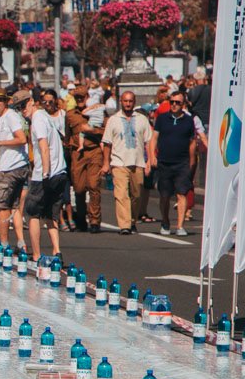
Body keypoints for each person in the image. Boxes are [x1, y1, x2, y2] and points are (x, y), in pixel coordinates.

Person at [0, 91, 30, 251]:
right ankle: (21, 242)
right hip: (14, 166)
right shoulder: (3, 118)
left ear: (6, 101)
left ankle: (3, 244)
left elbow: (21, 139)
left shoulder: (10, 116)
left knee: (2, 206)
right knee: (13, 206)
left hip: (11, 167)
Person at [24, 89, 68, 262]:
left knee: (32, 213)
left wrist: (45, 173)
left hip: (46, 174)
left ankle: (36, 255)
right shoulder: (47, 117)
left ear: (32, 102)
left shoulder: (38, 120)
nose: (22, 111)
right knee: (50, 214)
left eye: (23, 106)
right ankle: (57, 251)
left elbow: (43, 147)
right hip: (60, 171)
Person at [101, 91, 153, 235]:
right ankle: (124, 225)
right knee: (121, 194)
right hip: (119, 162)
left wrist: (150, 161)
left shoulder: (142, 119)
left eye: (130, 101)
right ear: (121, 102)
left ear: (134, 102)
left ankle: (132, 220)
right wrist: (106, 163)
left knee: (136, 195)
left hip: (138, 162)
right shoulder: (113, 120)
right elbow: (107, 143)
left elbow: (149, 141)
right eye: (125, 101)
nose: (128, 104)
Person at [148, 90, 197, 237]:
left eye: (178, 102)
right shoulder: (162, 119)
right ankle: (165, 221)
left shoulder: (189, 121)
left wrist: (192, 162)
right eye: (172, 102)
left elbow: (192, 143)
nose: (174, 105)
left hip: (182, 163)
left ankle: (180, 225)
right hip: (164, 162)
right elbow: (154, 139)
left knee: (182, 194)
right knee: (164, 195)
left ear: (183, 104)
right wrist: (152, 157)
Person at [66, 86, 104, 233]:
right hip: (78, 154)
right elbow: (67, 136)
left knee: (94, 186)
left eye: (82, 97)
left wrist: (92, 131)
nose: (80, 100)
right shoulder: (70, 115)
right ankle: (81, 218)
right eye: (77, 97)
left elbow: (105, 130)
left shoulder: (97, 110)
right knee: (79, 187)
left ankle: (94, 220)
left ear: (87, 96)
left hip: (94, 151)